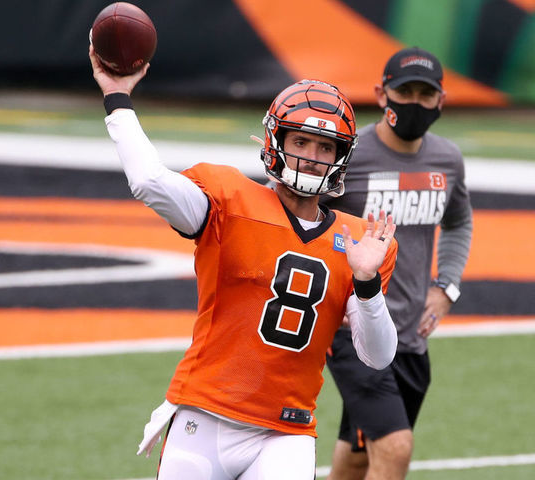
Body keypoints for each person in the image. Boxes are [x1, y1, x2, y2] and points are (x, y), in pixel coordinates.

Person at [89, 45, 400, 480]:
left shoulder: (360, 241)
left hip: (285, 432)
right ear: (276, 142)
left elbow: (379, 356)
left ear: (341, 156)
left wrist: (366, 284)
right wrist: (118, 98)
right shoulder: (229, 198)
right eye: (300, 141)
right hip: (205, 414)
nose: (312, 155)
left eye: (324, 146)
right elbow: (148, 181)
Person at [322, 47, 473, 480]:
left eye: (426, 95)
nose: (414, 102)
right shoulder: (348, 156)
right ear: (381, 93)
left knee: (357, 455)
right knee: (395, 448)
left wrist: (446, 287)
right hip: (352, 329)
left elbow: (459, 222)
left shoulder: (447, 160)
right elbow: (302, 217)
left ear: (441, 102)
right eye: (404, 91)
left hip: (409, 338)